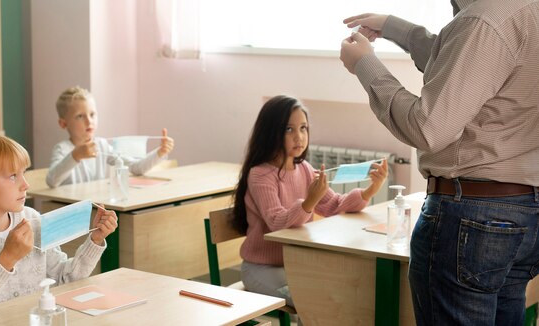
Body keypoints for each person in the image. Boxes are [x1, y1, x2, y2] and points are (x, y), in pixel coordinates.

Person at [340, 2, 539, 325]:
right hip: (525, 211)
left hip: (472, 216)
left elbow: (427, 127)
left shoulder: (484, 18)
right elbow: (472, 65)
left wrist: (366, 65)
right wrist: (396, 28)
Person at [231, 95, 388, 310]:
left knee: (336, 295)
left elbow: (334, 205)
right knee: (315, 302)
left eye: (303, 128)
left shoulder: (303, 168)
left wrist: (370, 190)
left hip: (295, 265)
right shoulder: (260, 175)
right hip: (261, 269)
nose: (299, 137)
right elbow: (277, 222)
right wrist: (309, 201)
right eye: (289, 129)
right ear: (271, 132)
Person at [0, 134, 118, 314]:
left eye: (23, 173)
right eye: (12, 176)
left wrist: (95, 240)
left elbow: (65, 278)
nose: (25, 184)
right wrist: (7, 259)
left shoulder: (31, 218)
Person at [46, 86, 175, 187]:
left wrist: (160, 152)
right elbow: (52, 181)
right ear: (63, 123)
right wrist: (75, 156)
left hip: (102, 212)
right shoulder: (62, 149)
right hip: (74, 213)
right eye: (80, 116)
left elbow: (137, 168)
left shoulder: (102, 146)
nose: (89, 121)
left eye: (92, 114)